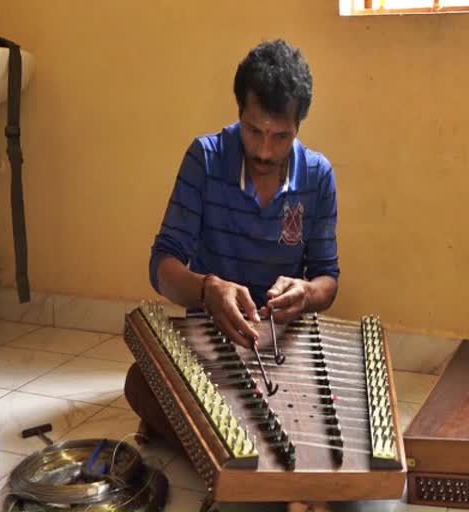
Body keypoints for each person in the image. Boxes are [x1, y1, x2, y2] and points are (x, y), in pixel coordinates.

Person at [123, 38, 340, 477]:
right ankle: (235, 454)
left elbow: (327, 278)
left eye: (281, 136)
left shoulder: (317, 176)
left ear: (299, 126)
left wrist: (307, 293)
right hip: (213, 336)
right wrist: (207, 288)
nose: (264, 150)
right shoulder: (205, 159)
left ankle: (206, 442)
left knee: (331, 411)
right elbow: (162, 265)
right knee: (139, 382)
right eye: (254, 130)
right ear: (239, 113)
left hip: (281, 342)